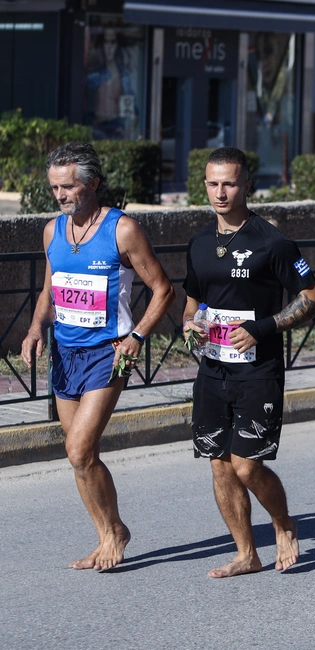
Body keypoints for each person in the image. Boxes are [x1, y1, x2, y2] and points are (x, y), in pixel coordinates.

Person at [20, 142, 175, 570]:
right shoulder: (52, 231)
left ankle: (115, 533)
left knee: (78, 449)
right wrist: (35, 328)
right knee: (81, 457)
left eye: (68, 187)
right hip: (65, 352)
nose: (60, 195)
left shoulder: (121, 230)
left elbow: (163, 290)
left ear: (92, 184)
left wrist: (137, 336)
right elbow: (50, 289)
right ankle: (108, 533)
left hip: (108, 353)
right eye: (55, 188)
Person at [182, 147, 315, 578]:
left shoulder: (272, 242)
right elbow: (193, 301)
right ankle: (247, 553)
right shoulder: (200, 243)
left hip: (258, 371)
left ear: (246, 185)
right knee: (220, 465)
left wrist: (262, 328)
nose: (220, 192)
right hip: (212, 370)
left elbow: (312, 298)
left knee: (246, 465)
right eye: (212, 184)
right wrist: (190, 324)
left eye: (229, 183)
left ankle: (283, 522)